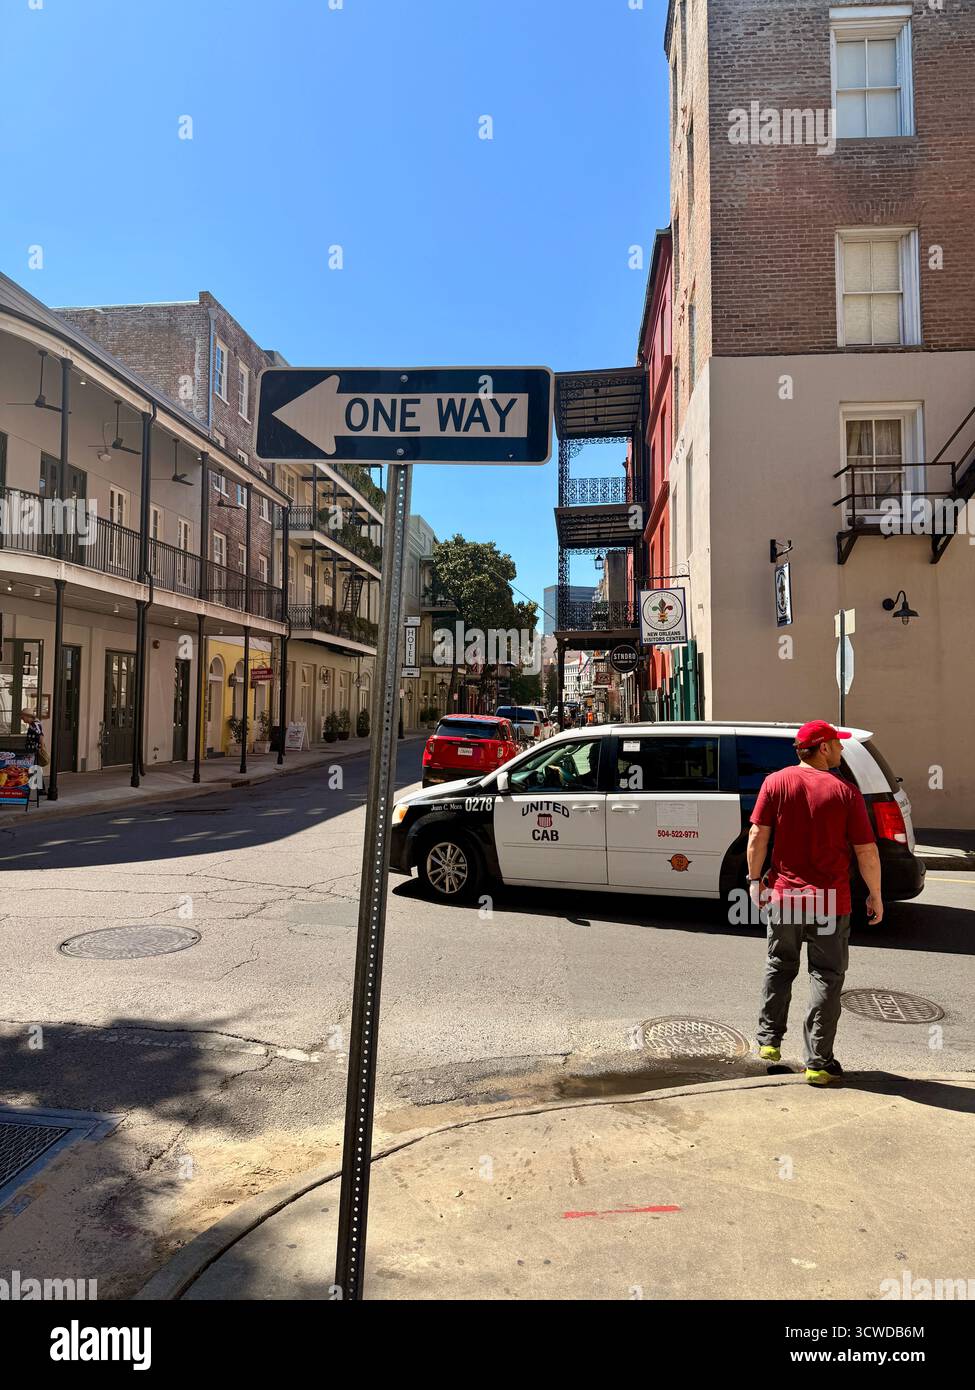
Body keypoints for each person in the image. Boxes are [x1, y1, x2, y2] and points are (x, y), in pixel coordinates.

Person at [746, 719, 882, 1087]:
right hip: (829, 902)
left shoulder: (776, 782)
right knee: (826, 976)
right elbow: (866, 850)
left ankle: (769, 1043)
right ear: (823, 748)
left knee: (780, 964)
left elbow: (758, 834)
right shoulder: (844, 792)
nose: (839, 749)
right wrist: (876, 894)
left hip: (785, 896)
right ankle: (818, 1063)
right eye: (836, 744)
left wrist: (755, 881)